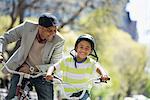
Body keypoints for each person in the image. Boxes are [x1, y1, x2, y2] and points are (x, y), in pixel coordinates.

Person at [0, 12, 65, 100]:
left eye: (55, 30)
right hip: (21, 70)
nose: (53, 33)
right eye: (50, 30)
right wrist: (0, 53)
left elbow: (55, 64)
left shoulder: (59, 40)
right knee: (12, 97)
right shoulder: (27, 27)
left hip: (42, 74)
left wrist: (31, 69)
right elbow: (5, 38)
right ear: (40, 28)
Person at [45, 34, 109, 100]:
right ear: (76, 47)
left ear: (91, 51)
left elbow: (99, 68)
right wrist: (49, 74)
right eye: (81, 47)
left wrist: (103, 75)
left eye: (87, 48)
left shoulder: (91, 63)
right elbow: (53, 67)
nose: (83, 50)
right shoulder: (67, 61)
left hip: (82, 93)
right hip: (67, 94)